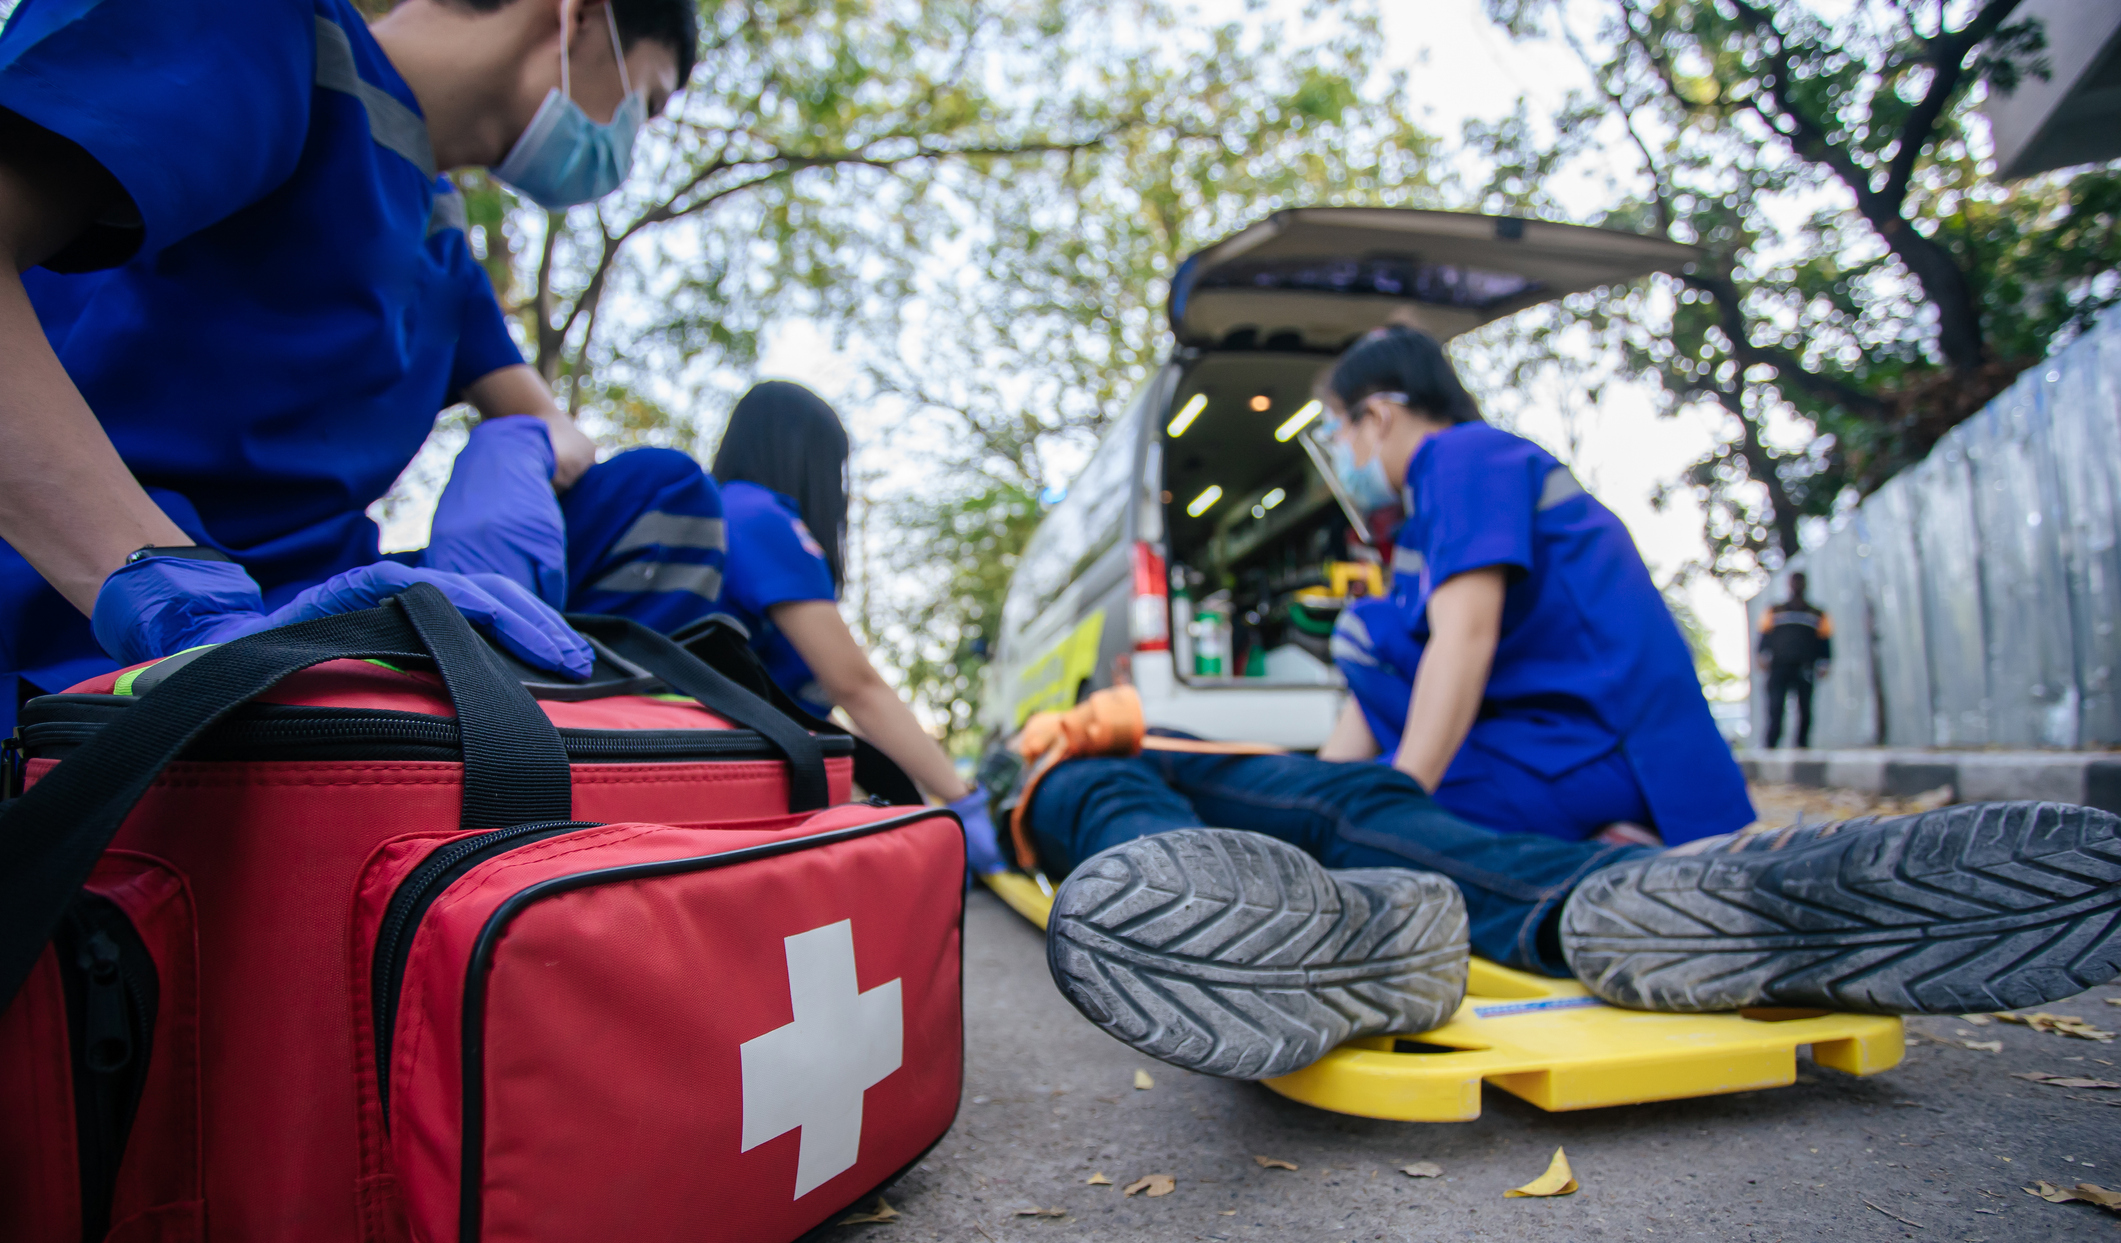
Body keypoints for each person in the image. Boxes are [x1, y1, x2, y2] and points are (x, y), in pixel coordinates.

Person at [0, 0, 734, 738]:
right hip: (87, 614)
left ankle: (552, 771)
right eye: (644, 103)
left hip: (313, 619)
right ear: (577, 17)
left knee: (658, 493)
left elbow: (554, 428)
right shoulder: (266, 28)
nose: (626, 144)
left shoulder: (442, 239)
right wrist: (159, 585)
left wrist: (513, 452)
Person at [1009, 698, 2121, 1081]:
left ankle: (1336, 921)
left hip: (1145, 774)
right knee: (1369, 813)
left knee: (1127, 805)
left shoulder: (1032, 771)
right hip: (1232, 776)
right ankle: (1611, 890)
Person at [1312, 326, 1752, 846]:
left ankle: (1604, 839)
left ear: (1378, 416)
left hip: (1600, 752)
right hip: (1556, 743)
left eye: (1337, 430)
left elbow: (1463, 638)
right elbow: (1398, 656)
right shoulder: (1446, 491)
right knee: (1371, 654)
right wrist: (1314, 788)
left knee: (1352, 812)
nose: (1339, 449)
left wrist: (1400, 805)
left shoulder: (1460, 459)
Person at [709, 381, 1007, 876]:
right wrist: (960, 799)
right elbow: (855, 685)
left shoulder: (718, 509)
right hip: (757, 778)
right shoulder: (761, 518)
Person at [1757, 572, 1832, 748]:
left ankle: (1802, 746)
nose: (1797, 585)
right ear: (1788, 585)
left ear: (1806, 585)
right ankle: (1771, 745)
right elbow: (1764, 636)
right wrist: (1761, 655)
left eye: (1801, 582)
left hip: (1805, 666)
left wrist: (1825, 662)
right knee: (1775, 707)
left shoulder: (1817, 613)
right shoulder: (1775, 610)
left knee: (1805, 708)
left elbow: (1825, 639)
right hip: (1779, 666)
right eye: (1794, 582)